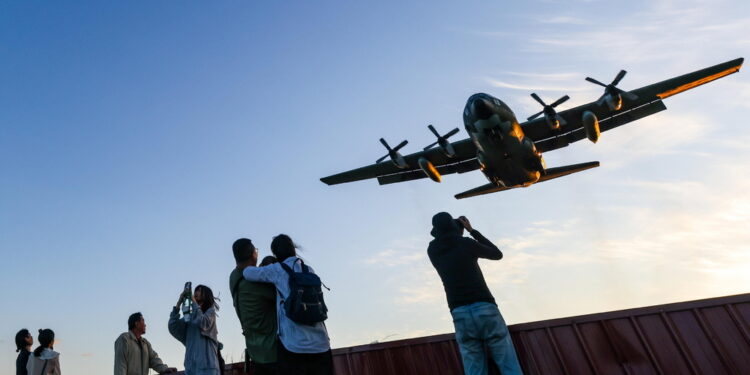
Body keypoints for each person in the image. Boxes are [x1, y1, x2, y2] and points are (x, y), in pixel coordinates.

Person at [427, 212, 523, 375]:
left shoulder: (433, 249)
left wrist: (456, 229)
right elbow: (496, 254)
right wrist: (471, 230)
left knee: (474, 370)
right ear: (454, 227)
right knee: (508, 365)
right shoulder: (465, 243)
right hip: (485, 307)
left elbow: (446, 239)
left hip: (459, 313)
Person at [242, 234, 333, 375]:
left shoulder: (278, 270)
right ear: (293, 248)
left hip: (294, 346)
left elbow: (248, 273)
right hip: (321, 344)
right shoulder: (309, 270)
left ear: (276, 253)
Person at [230, 238, 278, 375]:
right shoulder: (254, 283)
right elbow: (280, 294)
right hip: (273, 352)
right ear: (253, 254)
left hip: (255, 352)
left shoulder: (234, 277)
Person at [168, 284, 222, 375]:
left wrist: (193, 302)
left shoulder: (210, 313)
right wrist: (179, 303)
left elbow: (203, 323)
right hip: (191, 369)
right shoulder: (189, 317)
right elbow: (173, 327)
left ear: (206, 295)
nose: (196, 292)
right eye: (195, 290)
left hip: (208, 369)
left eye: (199, 290)